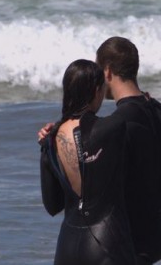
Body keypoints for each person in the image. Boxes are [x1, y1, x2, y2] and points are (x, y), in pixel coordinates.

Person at [40, 37, 161, 265]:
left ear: (107, 72)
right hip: (159, 230)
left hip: (125, 237)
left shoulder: (112, 126)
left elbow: (70, 193)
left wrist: (54, 138)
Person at [39, 59, 138, 265]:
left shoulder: (49, 140)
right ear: (96, 91)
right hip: (107, 244)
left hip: (66, 246)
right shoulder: (113, 127)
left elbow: (52, 205)